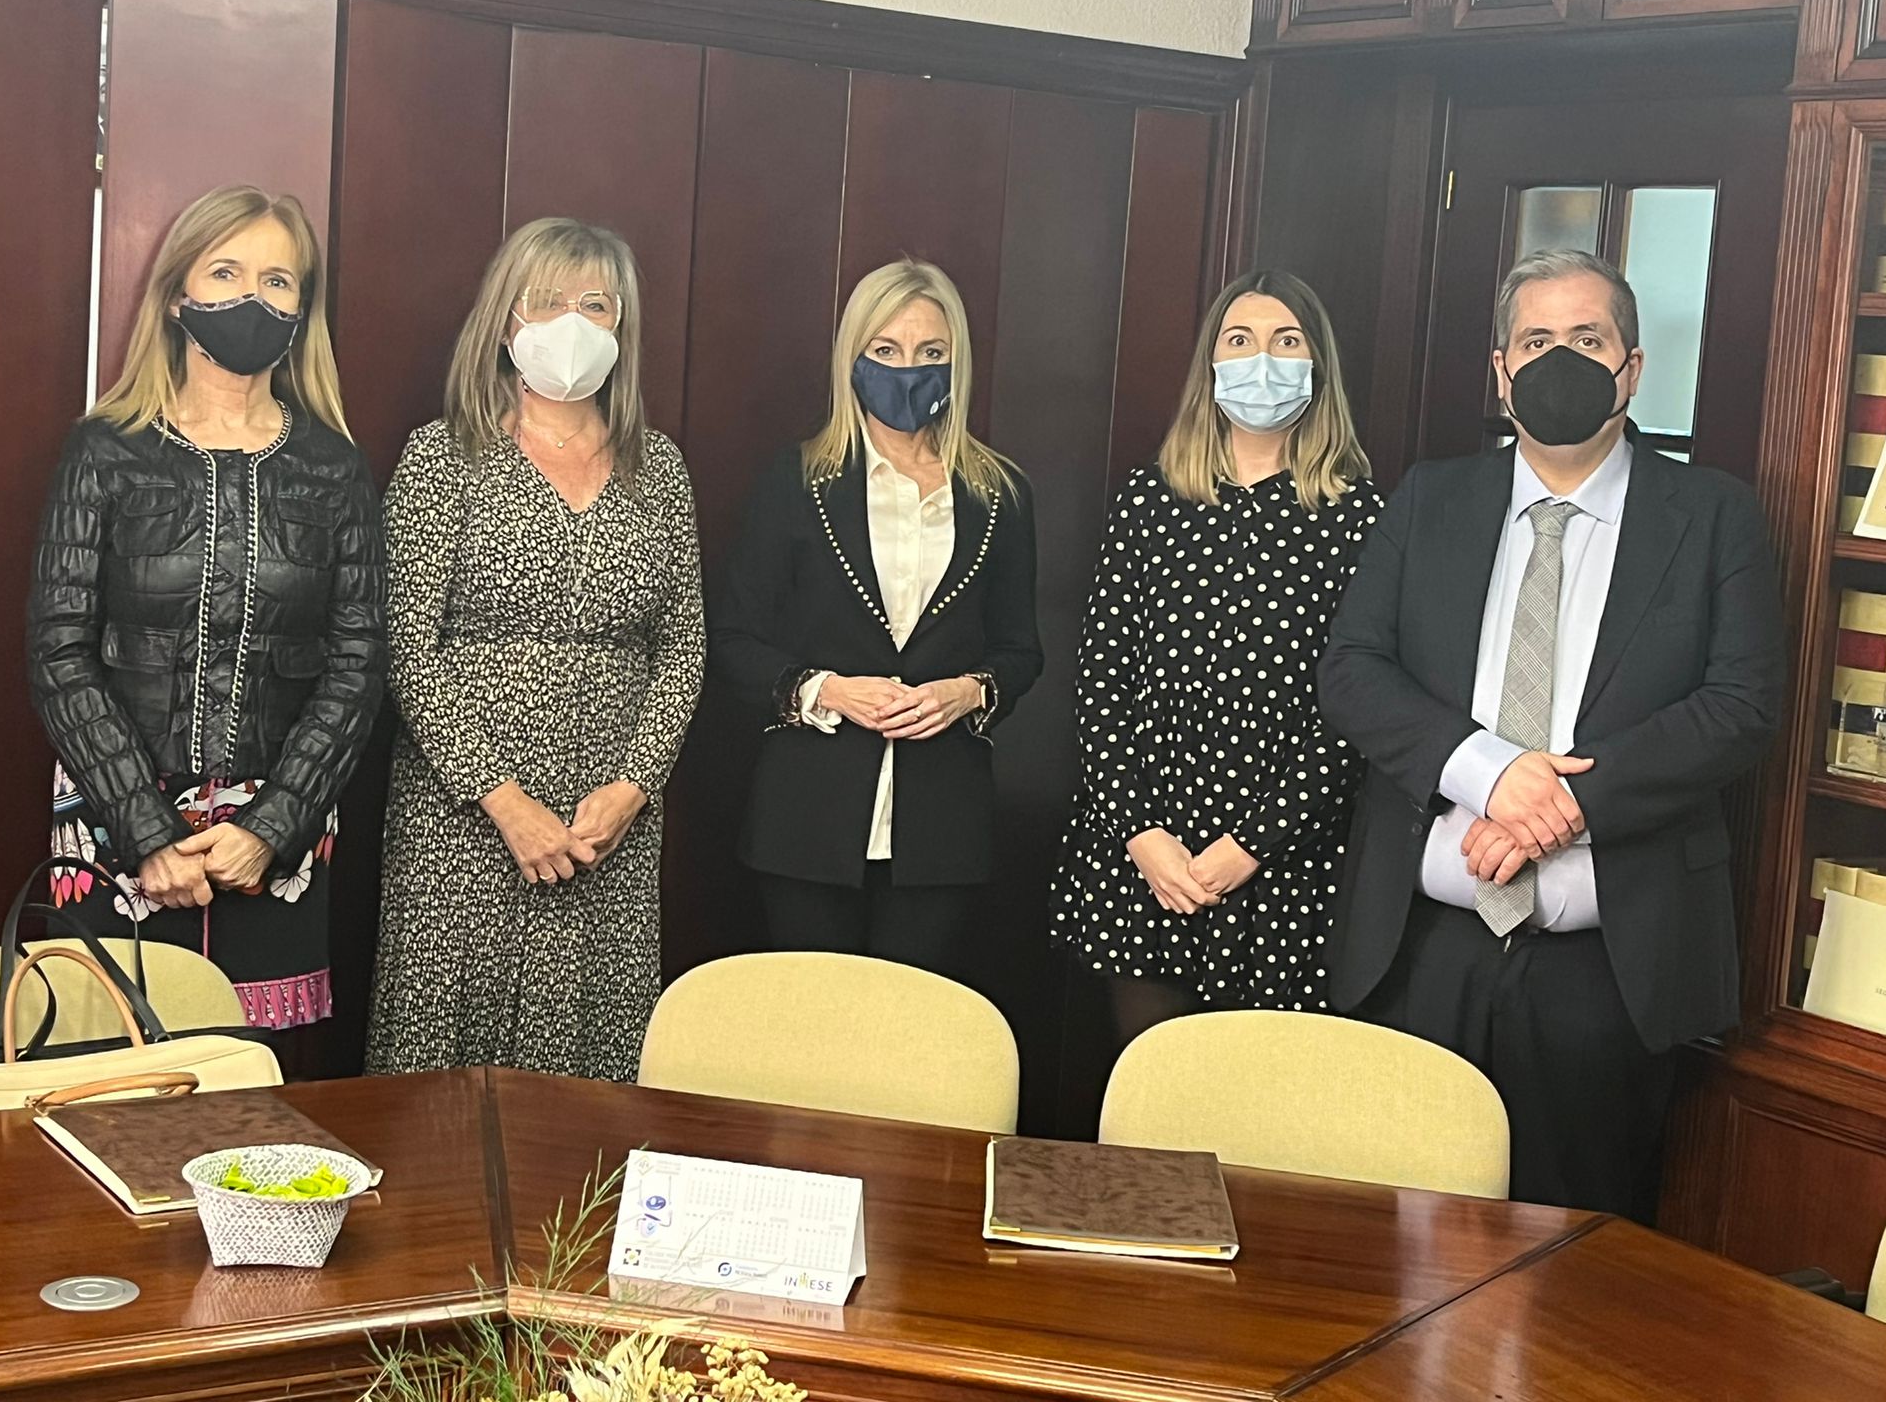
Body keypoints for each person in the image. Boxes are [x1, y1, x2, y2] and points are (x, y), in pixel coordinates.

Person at [1319, 249, 1785, 1219]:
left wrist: (1562, 805)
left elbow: (1740, 705)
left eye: (1586, 338)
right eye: (1535, 341)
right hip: (1420, 952)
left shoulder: (1712, 515)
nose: (1558, 360)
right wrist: (1490, 777)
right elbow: (1352, 672)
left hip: (1607, 968)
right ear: (1499, 371)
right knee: (1393, 1239)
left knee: (1571, 1251)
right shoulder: (1427, 498)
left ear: (1631, 367)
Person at [28, 185, 385, 1034]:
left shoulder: (334, 468)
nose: (251, 299)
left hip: (274, 839)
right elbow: (59, 651)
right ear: (176, 294)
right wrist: (147, 831)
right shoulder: (104, 451)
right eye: (225, 272)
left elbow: (358, 662)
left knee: (255, 1092)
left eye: (277, 281)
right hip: (116, 829)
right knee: (109, 1083)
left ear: (301, 311)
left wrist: (272, 827)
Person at [365, 219, 703, 1082]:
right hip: (465, 821)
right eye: (548, 302)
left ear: (624, 326)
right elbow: (408, 649)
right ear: (505, 319)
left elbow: (683, 650)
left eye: (596, 305)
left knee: (587, 1070)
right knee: (445, 1075)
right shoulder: (443, 456)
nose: (573, 323)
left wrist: (633, 788)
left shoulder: (659, 469)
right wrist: (504, 802)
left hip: (607, 830)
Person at [1050, 270, 1381, 1052]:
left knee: (1259, 1094)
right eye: (1240, 340)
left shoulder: (1360, 516)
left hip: (1285, 859)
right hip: (1146, 846)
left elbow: (1360, 706)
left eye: (1286, 341)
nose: (1262, 359)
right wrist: (1141, 834)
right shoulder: (1150, 499)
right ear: (1211, 363)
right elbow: (1102, 680)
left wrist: (1251, 846)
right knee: (1152, 1083)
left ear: (1317, 364)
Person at [711, 259, 1041, 982]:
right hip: (808, 817)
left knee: (914, 1030)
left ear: (957, 361)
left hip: (943, 823)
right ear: (852, 358)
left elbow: (1021, 649)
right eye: (885, 350)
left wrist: (968, 692)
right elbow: (733, 640)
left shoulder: (999, 491)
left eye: (930, 352)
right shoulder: (796, 478)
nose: (907, 370)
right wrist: (828, 690)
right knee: (811, 1026)